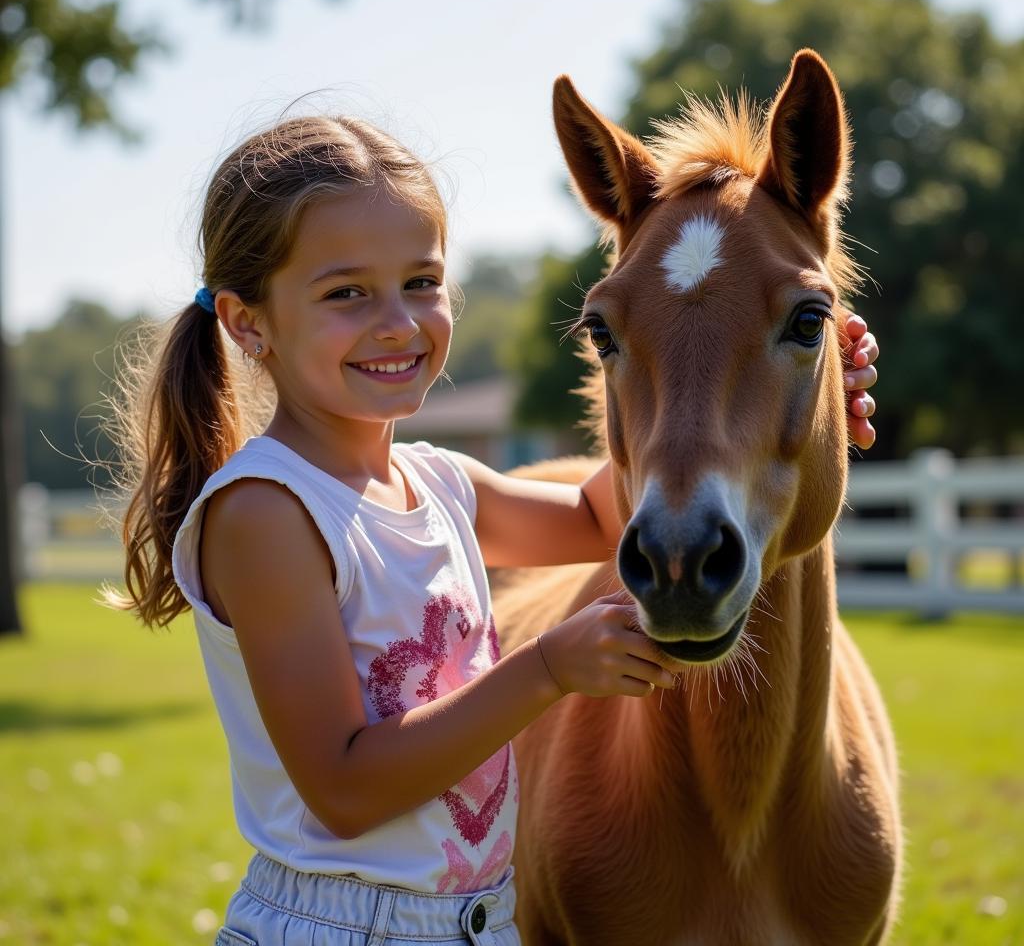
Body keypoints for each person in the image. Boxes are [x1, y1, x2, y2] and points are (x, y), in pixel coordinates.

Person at [105, 114, 879, 946]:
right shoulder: (267, 513)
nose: (399, 323)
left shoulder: (439, 483)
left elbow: (601, 511)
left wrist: (805, 383)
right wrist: (545, 668)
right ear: (249, 322)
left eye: (421, 283)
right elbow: (343, 786)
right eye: (345, 293)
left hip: (476, 924)